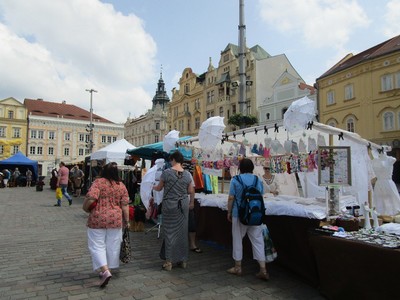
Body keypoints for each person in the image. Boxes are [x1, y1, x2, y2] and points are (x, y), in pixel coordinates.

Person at [82, 162, 130, 288]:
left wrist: (85, 208)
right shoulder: (121, 185)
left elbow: (92, 197)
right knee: (112, 245)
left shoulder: (98, 182)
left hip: (98, 218)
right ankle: (109, 267)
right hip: (115, 219)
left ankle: (104, 270)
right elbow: (125, 205)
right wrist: (127, 221)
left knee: (97, 245)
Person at [227, 158, 269, 281]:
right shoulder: (257, 179)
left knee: (237, 239)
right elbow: (260, 196)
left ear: (240, 168)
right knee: (258, 240)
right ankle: (263, 269)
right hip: (255, 214)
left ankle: (238, 267)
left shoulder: (235, 180)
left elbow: (231, 198)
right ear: (252, 168)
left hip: (239, 214)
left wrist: (229, 212)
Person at [153, 150, 194, 271]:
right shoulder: (187, 174)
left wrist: (153, 186)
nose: (170, 162)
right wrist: (190, 201)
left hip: (170, 205)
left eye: (171, 160)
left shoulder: (166, 173)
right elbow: (191, 191)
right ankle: (183, 260)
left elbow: (159, 188)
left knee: (170, 233)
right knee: (182, 233)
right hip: (183, 205)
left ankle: (169, 261)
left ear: (174, 160)